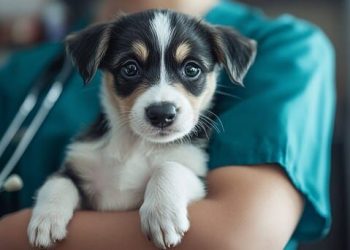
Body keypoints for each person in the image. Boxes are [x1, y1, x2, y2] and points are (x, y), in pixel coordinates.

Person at [0, 0, 335, 249]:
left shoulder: (288, 49)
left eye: (191, 71)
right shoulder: (24, 69)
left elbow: (237, 238)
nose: (161, 99)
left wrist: (12, 235)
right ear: (98, 67)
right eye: (131, 69)